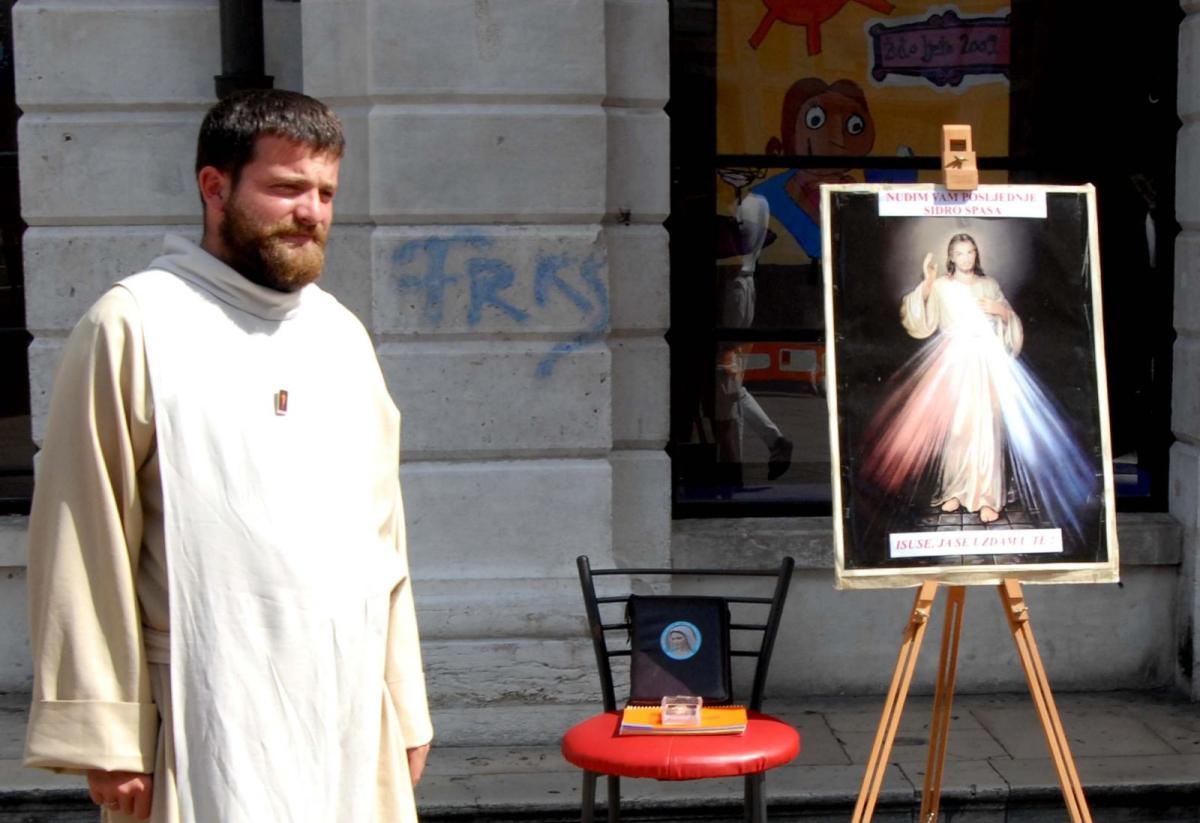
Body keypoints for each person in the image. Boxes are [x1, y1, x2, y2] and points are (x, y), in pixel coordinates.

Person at [23, 89, 433, 823]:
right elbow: (81, 537)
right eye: (285, 187)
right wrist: (106, 735)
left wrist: (404, 700)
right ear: (215, 186)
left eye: (325, 192)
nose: (312, 211)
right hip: (205, 706)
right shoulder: (134, 323)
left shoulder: (340, 336)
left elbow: (384, 541)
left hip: (343, 707)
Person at [860, 233, 1095, 532]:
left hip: (985, 361)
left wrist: (1001, 312)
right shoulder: (943, 286)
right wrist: (929, 282)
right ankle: (955, 490)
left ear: (976, 255)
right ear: (951, 257)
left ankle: (986, 497)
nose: (966, 258)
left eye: (970, 252)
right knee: (957, 428)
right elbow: (919, 322)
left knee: (986, 428)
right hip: (953, 360)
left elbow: (1010, 322)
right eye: (960, 253)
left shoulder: (989, 285)